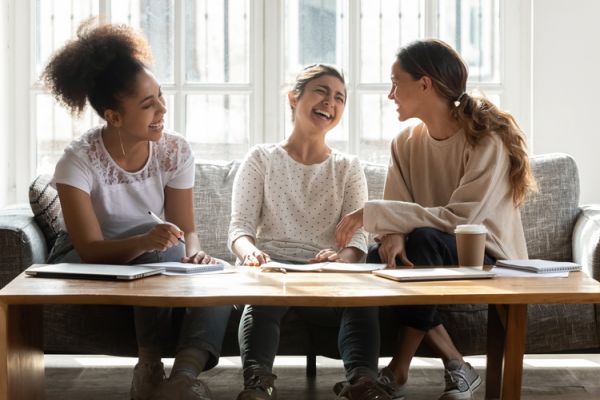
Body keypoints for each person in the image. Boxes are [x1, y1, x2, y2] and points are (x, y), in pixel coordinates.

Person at [335, 39, 537, 400]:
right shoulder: (405, 142)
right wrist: (391, 234)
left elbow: (459, 219)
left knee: (425, 241)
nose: (390, 94)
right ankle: (457, 364)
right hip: (431, 251)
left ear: (424, 84)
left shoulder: (486, 140)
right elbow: (399, 207)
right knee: (376, 260)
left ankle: (398, 370)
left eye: (396, 83)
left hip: (491, 258)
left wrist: (379, 216)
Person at [42, 22, 231, 400]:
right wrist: (147, 241)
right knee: (156, 252)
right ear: (113, 116)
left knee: (221, 278)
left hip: (156, 253)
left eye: (160, 97)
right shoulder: (77, 161)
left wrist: (193, 251)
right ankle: (148, 367)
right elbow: (91, 247)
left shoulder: (174, 151)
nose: (162, 108)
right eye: (148, 104)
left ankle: (181, 380)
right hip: (84, 258)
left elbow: (185, 227)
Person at [228, 64, 391, 400]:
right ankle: (258, 383)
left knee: (362, 297)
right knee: (263, 298)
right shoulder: (261, 158)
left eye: (339, 98)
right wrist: (251, 255)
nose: (330, 102)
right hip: (274, 268)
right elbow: (240, 229)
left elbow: (359, 236)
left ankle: (362, 383)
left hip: (327, 272)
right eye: (321, 91)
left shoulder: (347, 167)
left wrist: (343, 260)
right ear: (294, 97)